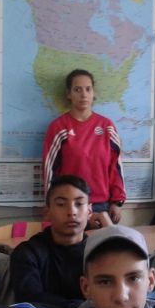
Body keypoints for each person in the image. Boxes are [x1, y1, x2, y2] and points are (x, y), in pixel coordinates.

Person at [11, 175, 105, 308]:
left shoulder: (100, 253)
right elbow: (30, 299)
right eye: (61, 204)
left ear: (89, 211)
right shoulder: (28, 253)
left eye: (79, 204)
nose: (72, 212)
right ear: (47, 212)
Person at [42, 69, 126, 223]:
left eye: (88, 89)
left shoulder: (107, 126)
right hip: (70, 206)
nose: (84, 94)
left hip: (102, 205)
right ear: (69, 94)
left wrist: (117, 201)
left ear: (93, 92)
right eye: (77, 89)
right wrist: (50, 204)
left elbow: (115, 166)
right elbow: (49, 170)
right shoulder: (58, 127)